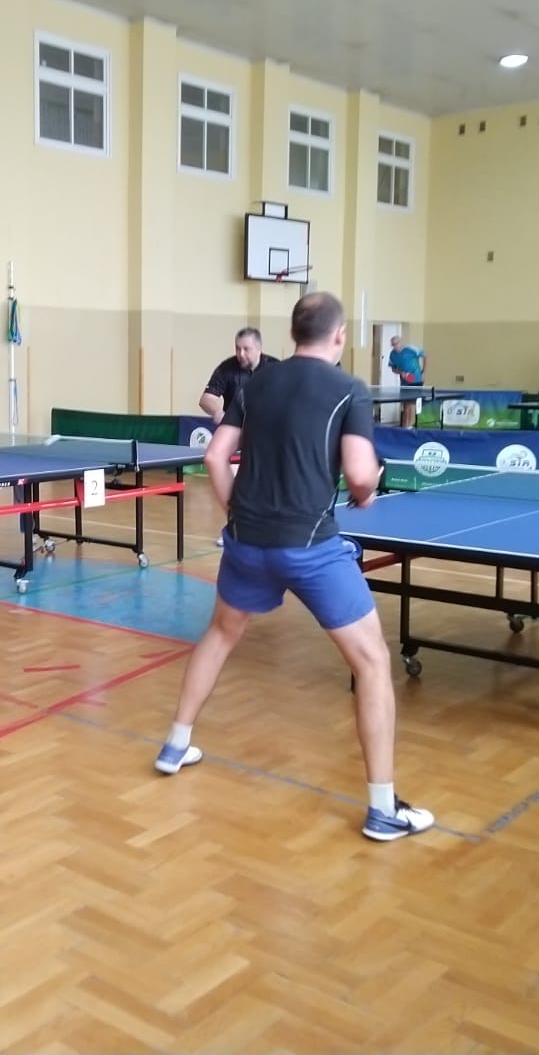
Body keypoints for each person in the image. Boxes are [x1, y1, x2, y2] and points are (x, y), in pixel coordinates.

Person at [152, 291, 434, 844]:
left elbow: (213, 456)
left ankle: (175, 744)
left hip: (247, 541)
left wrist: (236, 512)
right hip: (311, 547)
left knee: (221, 633)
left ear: (292, 333)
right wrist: (368, 488)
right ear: (339, 335)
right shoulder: (349, 389)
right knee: (372, 662)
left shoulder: (256, 384)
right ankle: (382, 810)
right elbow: (359, 476)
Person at [198, 327, 278, 424]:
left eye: (246, 349)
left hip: (267, 425)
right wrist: (218, 412)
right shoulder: (226, 368)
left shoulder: (275, 367)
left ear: (259, 348)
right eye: (238, 348)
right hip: (234, 425)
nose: (241, 354)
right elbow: (206, 399)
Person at [387, 334, 427, 427]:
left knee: (411, 404)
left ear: (401, 342)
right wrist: (401, 372)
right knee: (405, 404)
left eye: (396, 343)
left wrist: (423, 372)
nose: (395, 346)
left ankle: (410, 426)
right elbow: (393, 369)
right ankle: (405, 426)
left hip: (416, 380)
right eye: (393, 344)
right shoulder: (392, 354)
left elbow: (425, 356)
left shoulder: (411, 349)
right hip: (404, 381)